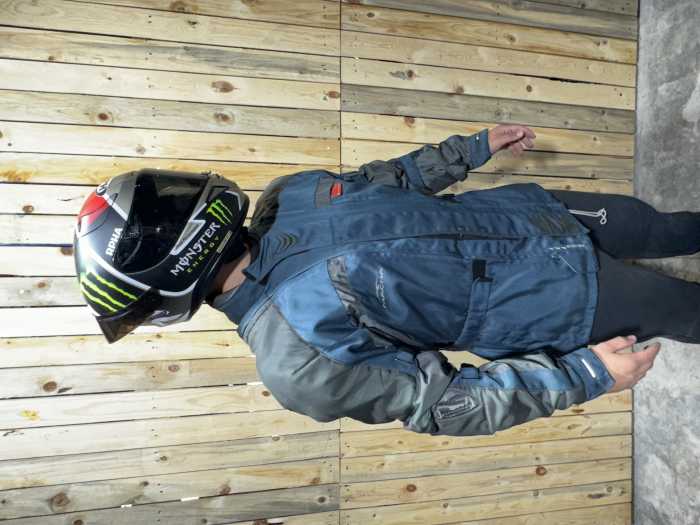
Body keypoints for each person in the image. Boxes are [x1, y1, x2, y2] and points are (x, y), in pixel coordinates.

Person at [77, 123, 699, 437]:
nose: (184, 188)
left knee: (665, 227)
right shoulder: (296, 360)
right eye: (168, 202)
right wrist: (585, 375)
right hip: (561, 301)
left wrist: (468, 150)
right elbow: (445, 404)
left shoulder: (286, 196)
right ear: (171, 251)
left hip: (536, 213)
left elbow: (389, 180)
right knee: (687, 309)